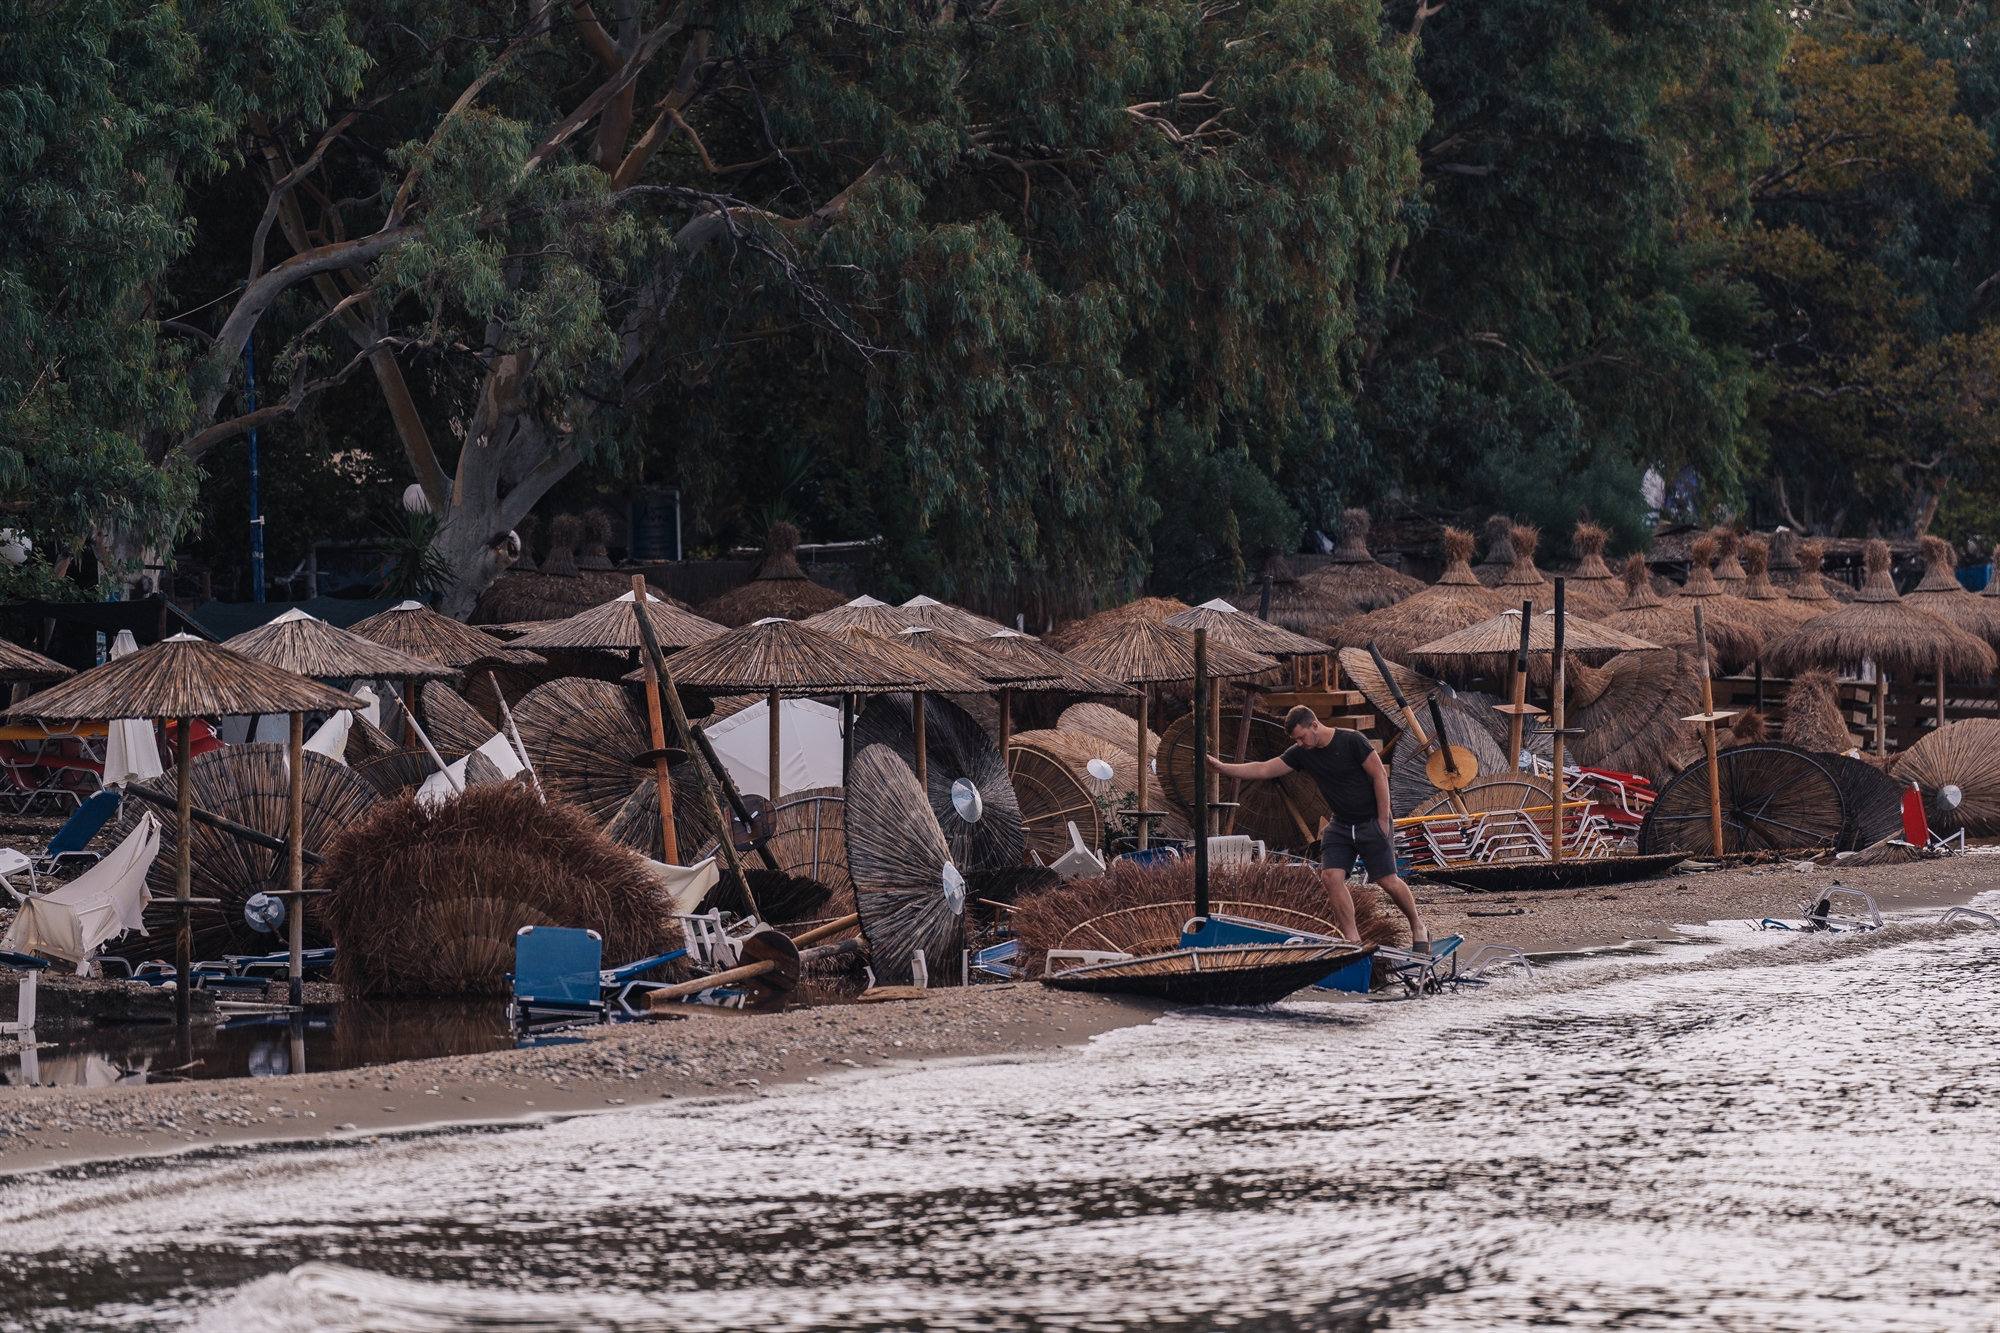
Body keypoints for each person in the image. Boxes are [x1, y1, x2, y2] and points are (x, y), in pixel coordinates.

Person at [1205, 705, 1429, 949]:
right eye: (1295, 740)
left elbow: (1379, 775)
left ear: (1314, 725)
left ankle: (1417, 925)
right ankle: (1353, 942)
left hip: (1370, 822)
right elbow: (1265, 768)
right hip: (1340, 824)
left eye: (1301, 737)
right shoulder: (1302, 753)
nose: (1299, 743)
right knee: (1330, 877)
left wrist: (1383, 820)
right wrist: (1222, 768)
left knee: (1388, 881)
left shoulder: (1352, 741)